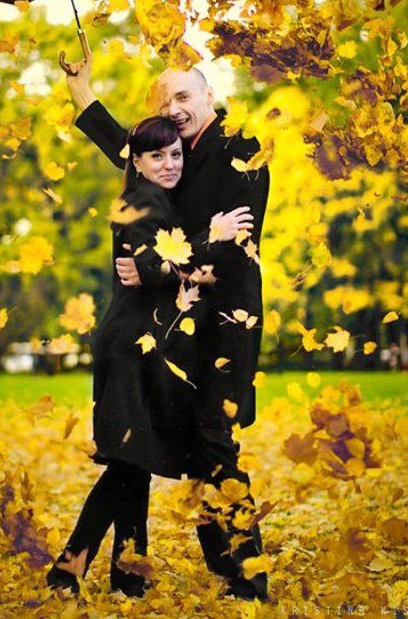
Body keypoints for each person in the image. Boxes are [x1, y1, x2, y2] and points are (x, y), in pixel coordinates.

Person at [59, 50, 271, 601]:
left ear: (208, 97)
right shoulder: (169, 156)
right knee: (183, 447)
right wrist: (82, 93)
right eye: (165, 100)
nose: (174, 109)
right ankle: (207, 567)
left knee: (214, 443)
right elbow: (135, 152)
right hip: (174, 325)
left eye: (183, 97)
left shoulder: (240, 147)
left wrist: (157, 265)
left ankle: (249, 573)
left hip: (225, 321)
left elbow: (236, 244)